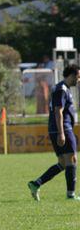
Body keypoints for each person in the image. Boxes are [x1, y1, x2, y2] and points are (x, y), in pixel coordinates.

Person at [28, 64, 80, 201]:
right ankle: (70, 195)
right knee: (72, 159)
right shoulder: (61, 89)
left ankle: (36, 183)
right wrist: (61, 133)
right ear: (72, 76)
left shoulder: (63, 89)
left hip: (59, 128)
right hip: (63, 128)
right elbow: (58, 111)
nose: (78, 80)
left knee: (63, 163)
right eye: (78, 77)